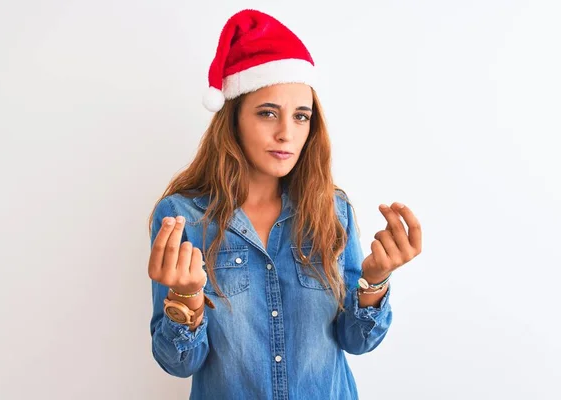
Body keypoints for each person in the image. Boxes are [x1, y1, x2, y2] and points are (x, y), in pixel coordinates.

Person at [147, 8, 422, 400]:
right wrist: (186, 296)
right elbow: (178, 363)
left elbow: (357, 341)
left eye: (301, 116)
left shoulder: (332, 210)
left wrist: (374, 280)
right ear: (234, 118)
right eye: (268, 113)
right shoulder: (182, 217)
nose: (285, 134)